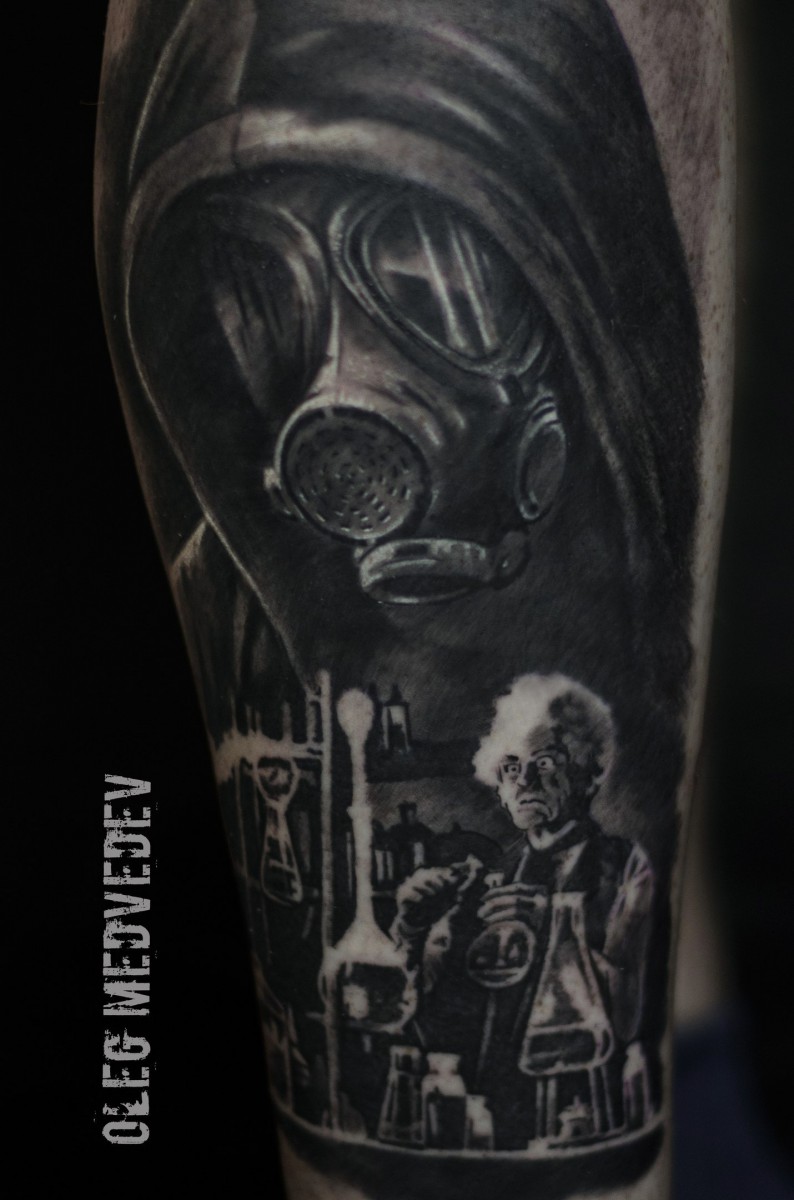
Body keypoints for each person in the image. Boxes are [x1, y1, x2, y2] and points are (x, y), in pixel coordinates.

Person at [392, 674, 654, 1148]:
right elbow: (429, 1022)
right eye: (511, 767)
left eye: (545, 763)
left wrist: (556, 928)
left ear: (589, 772)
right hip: (492, 1121)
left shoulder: (625, 867)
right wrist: (412, 929)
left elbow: (627, 1018)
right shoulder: (485, 880)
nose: (525, 781)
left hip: (585, 1114)